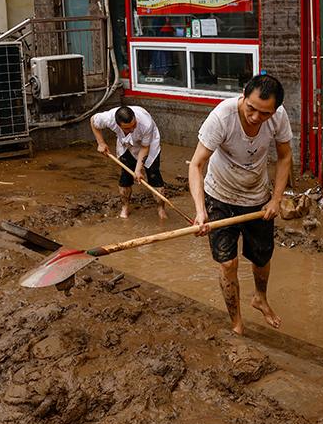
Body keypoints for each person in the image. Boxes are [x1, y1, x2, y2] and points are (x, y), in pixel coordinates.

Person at [188, 74, 292, 335]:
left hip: (257, 197)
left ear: (275, 110)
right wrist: (201, 212)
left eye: (264, 113)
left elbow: (285, 156)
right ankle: (236, 322)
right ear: (243, 97)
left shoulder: (278, 118)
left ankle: (260, 298)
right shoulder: (222, 117)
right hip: (220, 195)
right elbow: (196, 165)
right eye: (251, 108)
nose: (256, 117)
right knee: (227, 263)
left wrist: (276, 199)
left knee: (262, 258)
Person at [91, 105, 167, 221]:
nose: (131, 129)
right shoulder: (108, 118)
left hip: (149, 145)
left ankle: (161, 209)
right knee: (125, 176)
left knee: (154, 175)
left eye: (134, 125)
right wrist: (101, 143)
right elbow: (93, 121)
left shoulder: (146, 123)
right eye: (127, 128)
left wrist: (138, 170)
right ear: (117, 124)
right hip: (126, 144)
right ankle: (125, 207)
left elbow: (145, 147)